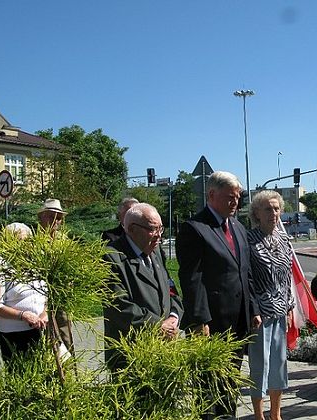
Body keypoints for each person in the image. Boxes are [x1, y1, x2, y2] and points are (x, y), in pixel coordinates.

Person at [177, 170, 260, 418]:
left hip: (237, 322)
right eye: (230, 197)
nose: (235, 203)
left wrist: (253, 309)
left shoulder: (237, 227)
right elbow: (192, 279)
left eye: (238, 197)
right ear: (212, 195)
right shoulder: (195, 229)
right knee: (208, 386)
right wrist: (199, 319)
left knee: (229, 384)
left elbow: (246, 272)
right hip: (211, 325)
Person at [103, 202, 183, 371]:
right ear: (131, 229)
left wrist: (174, 317)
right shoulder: (111, 257)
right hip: (131, 357)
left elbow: (170, 290)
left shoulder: (154, 252)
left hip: (163, 350)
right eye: (152, 229)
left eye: (161, 229)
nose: (158, 236)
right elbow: (117, 306)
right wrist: (157, 325)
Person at [247, 190, 294, 420]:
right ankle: (259, 415)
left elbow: (288, 276)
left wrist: (290, 306)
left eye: (276, 208)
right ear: (257, 213)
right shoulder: (249, 240)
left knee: (279, 365)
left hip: (280, 310)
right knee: (260, 366)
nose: (273, 213)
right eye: (268, 209)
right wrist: (253, 310)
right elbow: (247, 280)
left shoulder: (284, 239)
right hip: (260, 314)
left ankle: (276, 414)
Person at [0, 223, 48, 363]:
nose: (23, 246)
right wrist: (22, 315)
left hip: (38, 330)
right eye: (17, 241)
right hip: (12, 333)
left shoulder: (37, 264)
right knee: (19, 374)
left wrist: (45, 313)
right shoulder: (0, 268)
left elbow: (47, 295)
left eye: (26, 241)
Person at [37, 198, 74, 356]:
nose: (56, 220)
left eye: (59, 217)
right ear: (41, 218)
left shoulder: (65, 241)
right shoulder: (34, 241)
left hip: (62, 296)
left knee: (66, 334)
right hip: (41, 299)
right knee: (46, 338)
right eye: (51, 216)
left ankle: (69, 372)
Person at [102, 197, 168, 266]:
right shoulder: (110, 236)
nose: (132, 215)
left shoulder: (153, 241)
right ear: (120, 215)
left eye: (136, 212)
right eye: (129, 212)